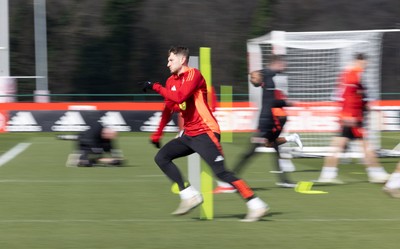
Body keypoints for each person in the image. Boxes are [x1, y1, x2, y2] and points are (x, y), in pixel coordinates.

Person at [142, 46, 268, 222]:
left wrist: (155, 87)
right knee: (161, 157)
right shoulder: (170, 81)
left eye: (171, 60)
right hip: (189, 134)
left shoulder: (194, 74)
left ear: (182, 59)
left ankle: (256, 204)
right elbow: (169, 107)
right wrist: (158, 133)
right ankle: (189, 195)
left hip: (206, 131)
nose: (167, 63)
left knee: (222, 173)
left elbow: (179, 97)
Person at [214, 56, 303, 194]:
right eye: (282, 64)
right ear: (276, 63)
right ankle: (231, 181)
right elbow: (271, 103)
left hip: (269, 120)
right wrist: (287, 103)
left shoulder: (268, 75)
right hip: (267, 122)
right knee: (251, 152)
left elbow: (262, 74)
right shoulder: (269, 79)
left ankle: (283, 180)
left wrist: (255, 75)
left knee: (273, 149)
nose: (284, 66)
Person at [317, 53, 389, 183]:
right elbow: (348, 97)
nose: (365, 66)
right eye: (364, 63)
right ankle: (376, 174)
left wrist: (364, 106)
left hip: (349, 117)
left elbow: (348, 96)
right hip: (352, 118)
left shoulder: (350, 74)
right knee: (365, 146)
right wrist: (350, 115)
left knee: (339, 146)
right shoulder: (353, 74)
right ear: (358, 61)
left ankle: (327, 174)